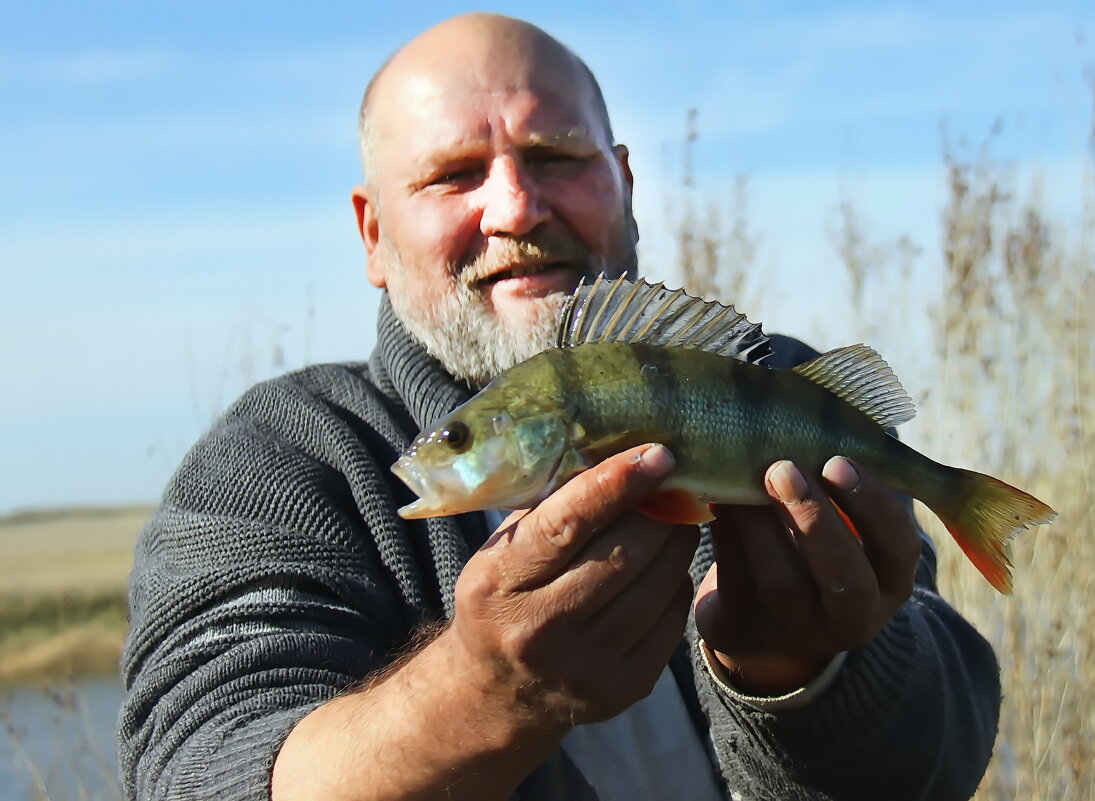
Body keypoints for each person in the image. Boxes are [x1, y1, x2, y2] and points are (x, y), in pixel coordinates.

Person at [118, 12, 999, 801]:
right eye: (453, 174)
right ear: (373, 232)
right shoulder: (280, 462)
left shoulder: (778, 384)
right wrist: (478, 696)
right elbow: (196, 760)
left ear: (622, 183)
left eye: (556, 157)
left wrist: (808, 671)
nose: (515, 205)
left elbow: (944, 751)